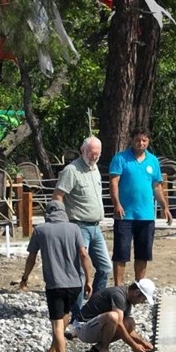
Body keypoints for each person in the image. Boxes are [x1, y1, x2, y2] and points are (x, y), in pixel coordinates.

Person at [19, 200, 95, 352]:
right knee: (66, 316)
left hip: (55, 285)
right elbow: (84, 255)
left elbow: (32, 258)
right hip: (75, 284)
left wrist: (25, 278)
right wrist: (89, 280)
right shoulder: (74, 228)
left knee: (57, 327)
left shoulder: (40, 230)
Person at [53, 136, 112, 321]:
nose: (94, 157)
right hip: (78, 226)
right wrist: (61, 221)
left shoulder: (95, 170)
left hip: (95, 227)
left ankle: (93, 307)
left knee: (105, 267)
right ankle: (77, 313)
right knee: (78, 271)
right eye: (91, 153)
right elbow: (58, 195)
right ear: (82, 150)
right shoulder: (71, 170)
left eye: (97, 154)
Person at [108, 128, 171, 287]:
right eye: (138, 140)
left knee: (143, 254)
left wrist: (165, 207)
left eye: (144, 140)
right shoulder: (120, 158)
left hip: (146, 216)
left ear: (148, 141)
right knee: (121, 253)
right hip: (125, 215)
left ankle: (139, 286)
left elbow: (157, 186)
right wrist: (116, 204)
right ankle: (118, 287)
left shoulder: (153, 161)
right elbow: (113, 182)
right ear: (132, 140)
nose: (141, 143)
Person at [73, 278, 157, 352]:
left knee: (129, 322)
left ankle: (98, 348)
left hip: (94, 327)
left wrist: (143, 343)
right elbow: (120, 326)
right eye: (143, 299)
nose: (142, 302)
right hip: (83, 329)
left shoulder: (127, 300)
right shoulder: (118, 295)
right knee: (113, 317)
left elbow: (127, 329)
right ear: (137, 292)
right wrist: (134, 346)